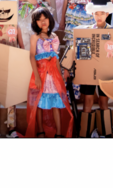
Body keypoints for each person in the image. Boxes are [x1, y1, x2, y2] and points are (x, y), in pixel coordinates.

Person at [76, 0, 113, 138]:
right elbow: (78, 52)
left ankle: (106, 134)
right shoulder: (86, 31)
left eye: (102, 13)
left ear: (107, 14)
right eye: (96, 13)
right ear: (92, 13)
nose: (99, 16)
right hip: (89, 72)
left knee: (104, 102)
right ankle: (85, 134)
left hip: (106, 72)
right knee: (88, 101)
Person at [25, 8, 73, 138]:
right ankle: (40, 131)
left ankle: (59, 133)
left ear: (50, 19)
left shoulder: (54, 37)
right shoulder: (35, 37)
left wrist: (60, 77)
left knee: (56, 103)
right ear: (35, 23)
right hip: (41, 74)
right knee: (39, 103)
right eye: (39, 20)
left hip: (54, 75)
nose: (43, 22)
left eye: (45, 18)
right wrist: (37, 77)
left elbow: (56, 59)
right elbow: (32, 56)